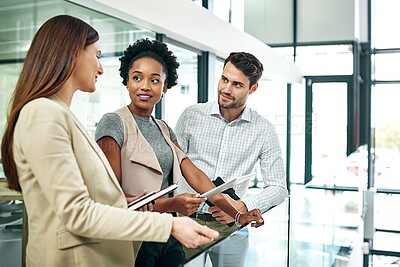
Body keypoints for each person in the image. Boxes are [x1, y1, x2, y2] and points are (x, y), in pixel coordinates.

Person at [0, 15, 220, 267]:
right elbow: (77, 213)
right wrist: (169, 223)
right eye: (97, 55)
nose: (101, 68)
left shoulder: (60, 114)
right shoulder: (43, 113)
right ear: (72, 54)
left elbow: (81, 197)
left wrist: (122, 202)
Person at [94, 39, 264, 267]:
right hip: (134, 236)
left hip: (168, 234)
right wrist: (171, 205)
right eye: (137, 78)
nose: (145, 86)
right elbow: (110, 199)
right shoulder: (113, 123)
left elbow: (195, 175)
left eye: (155, 80)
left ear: (164, 87)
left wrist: (237, 215)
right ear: (126, 81)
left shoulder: (164, 129)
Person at [175, 52, 289, 265]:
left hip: (232, 228)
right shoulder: (191, 116)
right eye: (224, 79)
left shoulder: (264, 130)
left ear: (252, 89)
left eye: (237, 84)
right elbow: (173, 167)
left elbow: (279, 188)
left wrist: (241, 206)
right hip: (186, 222)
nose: (226, 89)